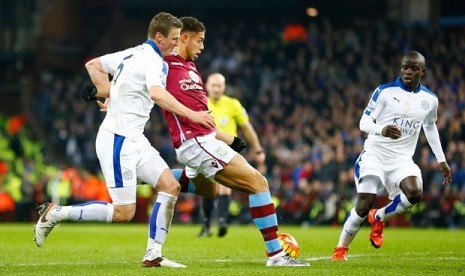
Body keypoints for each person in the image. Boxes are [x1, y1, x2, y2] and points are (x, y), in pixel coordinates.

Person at [34, 12, 215, 268]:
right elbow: (156, 93)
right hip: (118, 139)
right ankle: (56, 213)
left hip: (134, 138)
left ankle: (153, 255)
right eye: (174, 39)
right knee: (124, 213)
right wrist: (192, 114)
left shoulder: (132, 52)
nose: (177, 44)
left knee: (169, 186)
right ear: (159, 37)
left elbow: (93, 65)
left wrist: (112, 95)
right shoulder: (154, 61)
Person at [162, 16, 308, 267]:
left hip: (203, 141)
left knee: (206, 189)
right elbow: (140, 86)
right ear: (184, 38)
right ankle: (275, 254)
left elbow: (203, 117)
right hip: (197, 143)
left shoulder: (191, 69)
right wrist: (109, 95)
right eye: (200, 41)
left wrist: (229, 138)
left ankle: (155, 174)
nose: (203, 46)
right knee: (258, 183)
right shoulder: (164, 65)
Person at [332, 51, 452, 261]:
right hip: (375, 155)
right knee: (364, 203)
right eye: (405, 67)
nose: (408, 71)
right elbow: (363, 123)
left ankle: (378, 217)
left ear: (422, 72)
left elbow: (430, 127)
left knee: (414, 194)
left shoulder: (430, 100)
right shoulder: (384, 92)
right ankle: (341, 248)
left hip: (402, 160)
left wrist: (441, 159)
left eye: (414, 68)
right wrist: (382, 130)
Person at [198, 72, 266, 237]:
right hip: (206, 149)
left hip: (227, 150)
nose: (216, 88)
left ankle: (221, 222)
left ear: (224, 87)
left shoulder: (233, 104)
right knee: (208, 188)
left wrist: (257, 148)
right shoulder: (200, 103)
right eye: (213, 85)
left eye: (219, 85)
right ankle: (208, 225)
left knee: (224, 187)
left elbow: (246, 127)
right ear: (207, 86)